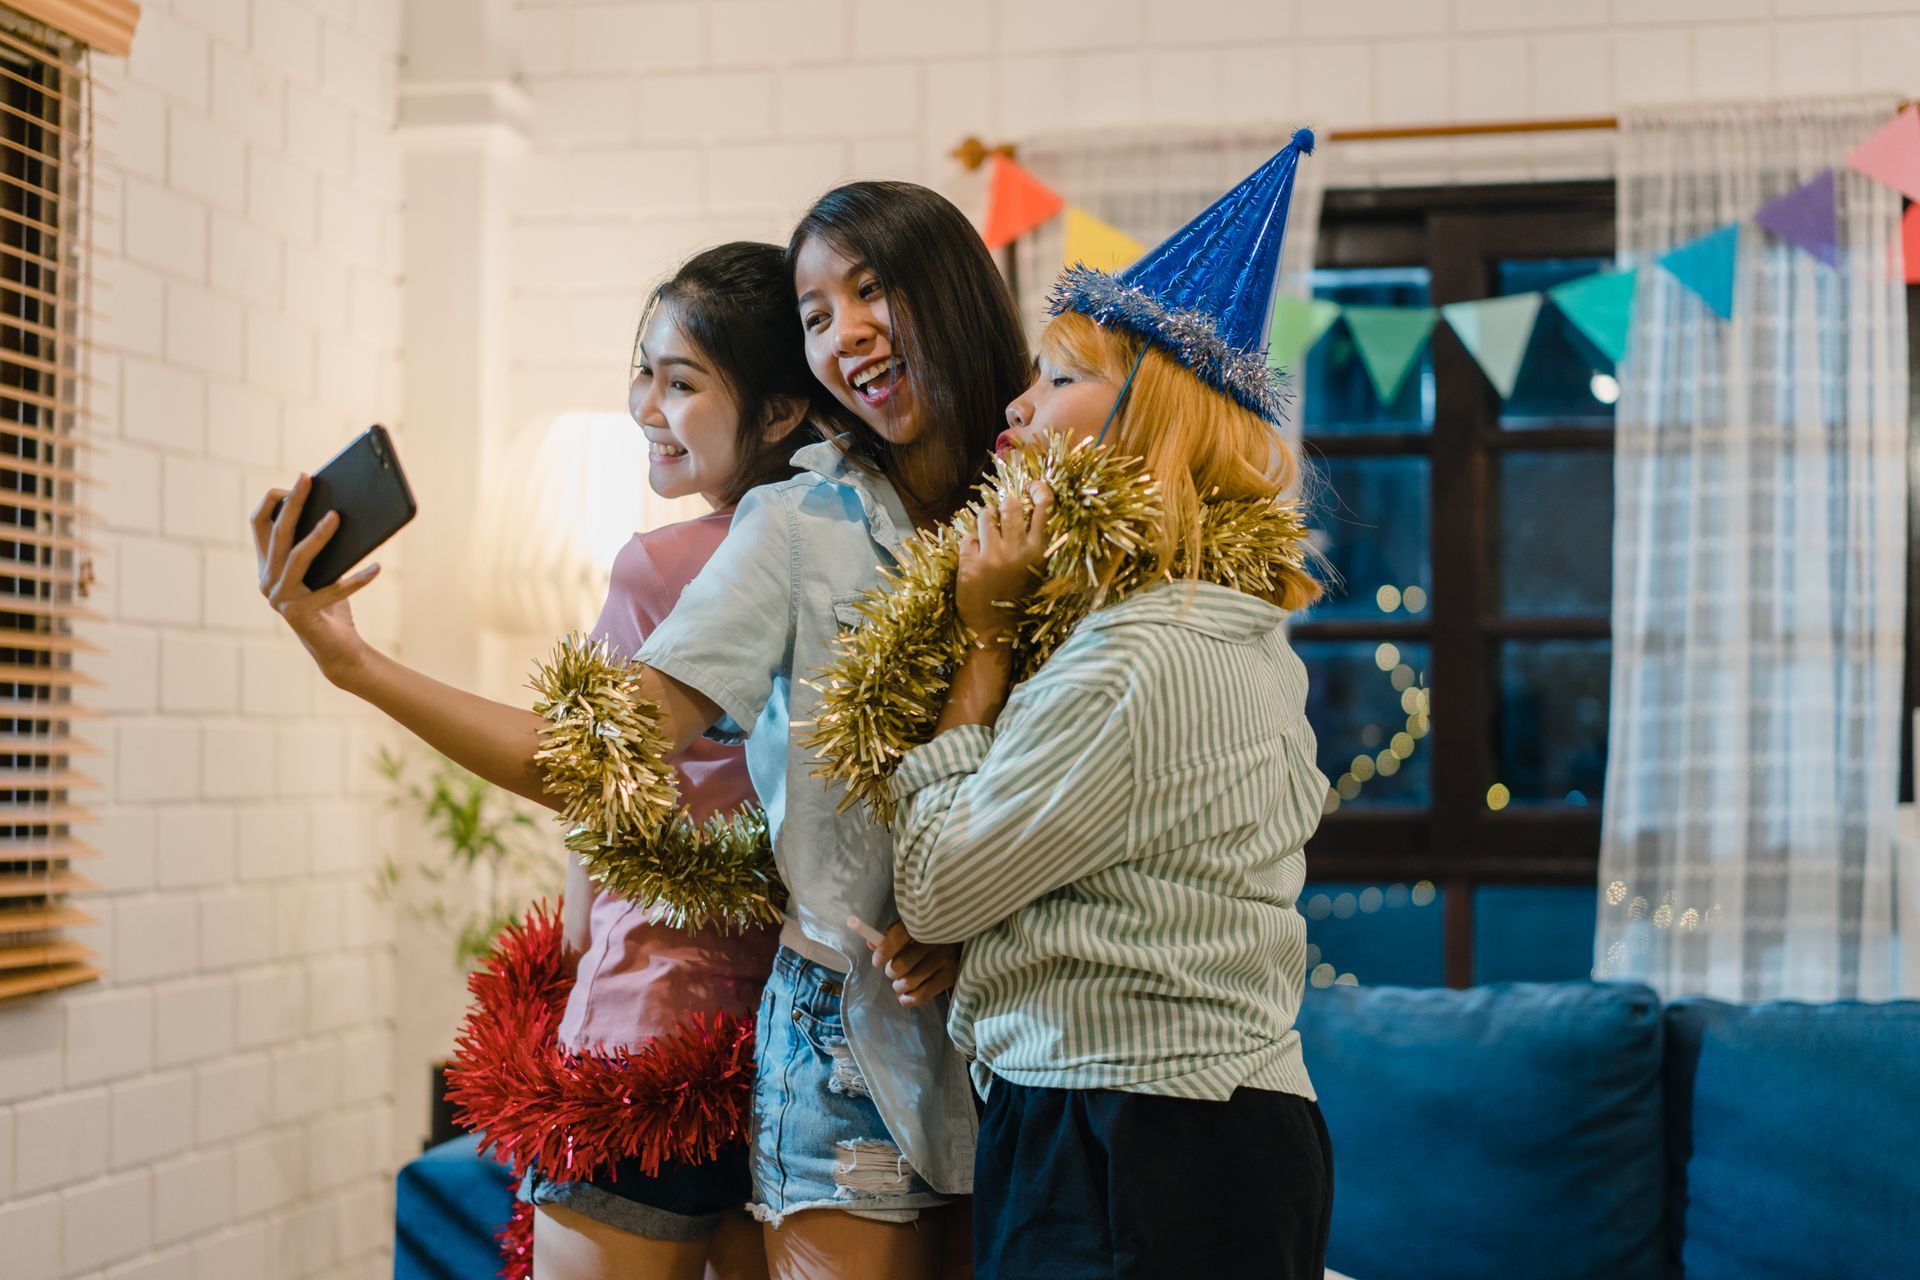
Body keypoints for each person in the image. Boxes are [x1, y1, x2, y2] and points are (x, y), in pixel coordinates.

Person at [254, 243, 814, 1280]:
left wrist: (357, 663)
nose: (647, 404)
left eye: (681, 381)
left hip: (642, 1046)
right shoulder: (850, 544)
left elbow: (582, 786)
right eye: (642, 370)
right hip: (787, 1058)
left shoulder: (665, 566)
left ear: (781, 410)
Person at [878, 133, 1338, 1279]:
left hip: (1123, 1127)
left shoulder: (1135, 661)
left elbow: (934, 889)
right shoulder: (1240, 637)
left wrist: (984, 643)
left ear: (1149, 421)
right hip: (1217, 1122)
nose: (1018, 408)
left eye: (1059, 376)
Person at [568, 180, 1029, 1279]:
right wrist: (357, 665)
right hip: (822, 1018)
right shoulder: (800, 525)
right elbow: (611, 754)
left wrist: (971, 907)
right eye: (817, 314)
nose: (847, 332)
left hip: (1016, 1027)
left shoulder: (1047, 518)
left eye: (871, 292)